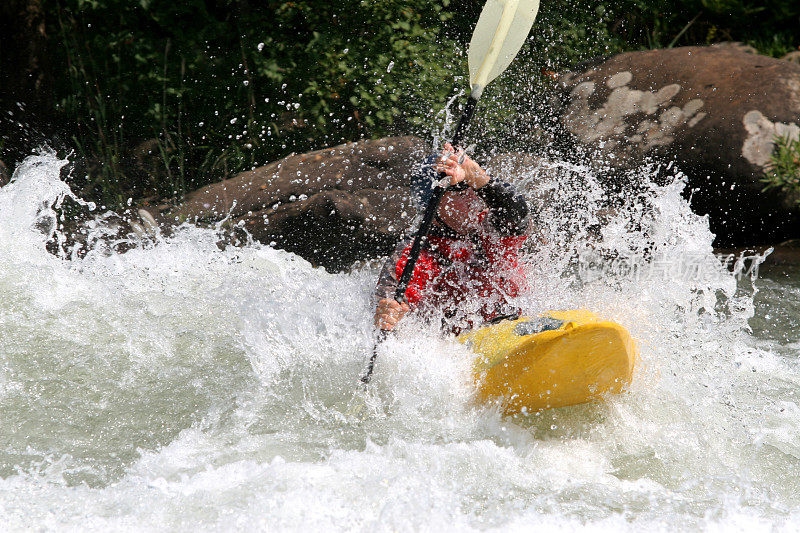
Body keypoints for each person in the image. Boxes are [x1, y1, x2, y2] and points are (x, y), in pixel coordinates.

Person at [374, 143, 530, 334]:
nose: (473, 198)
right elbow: (389, 305)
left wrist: (478, 177)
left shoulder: (490, 226)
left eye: (473, 188)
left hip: (521, 324)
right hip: (465, 343)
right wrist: (388, 317)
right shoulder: (413, 256)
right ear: (434, 205)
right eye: (460, 193)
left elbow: (518, 214)